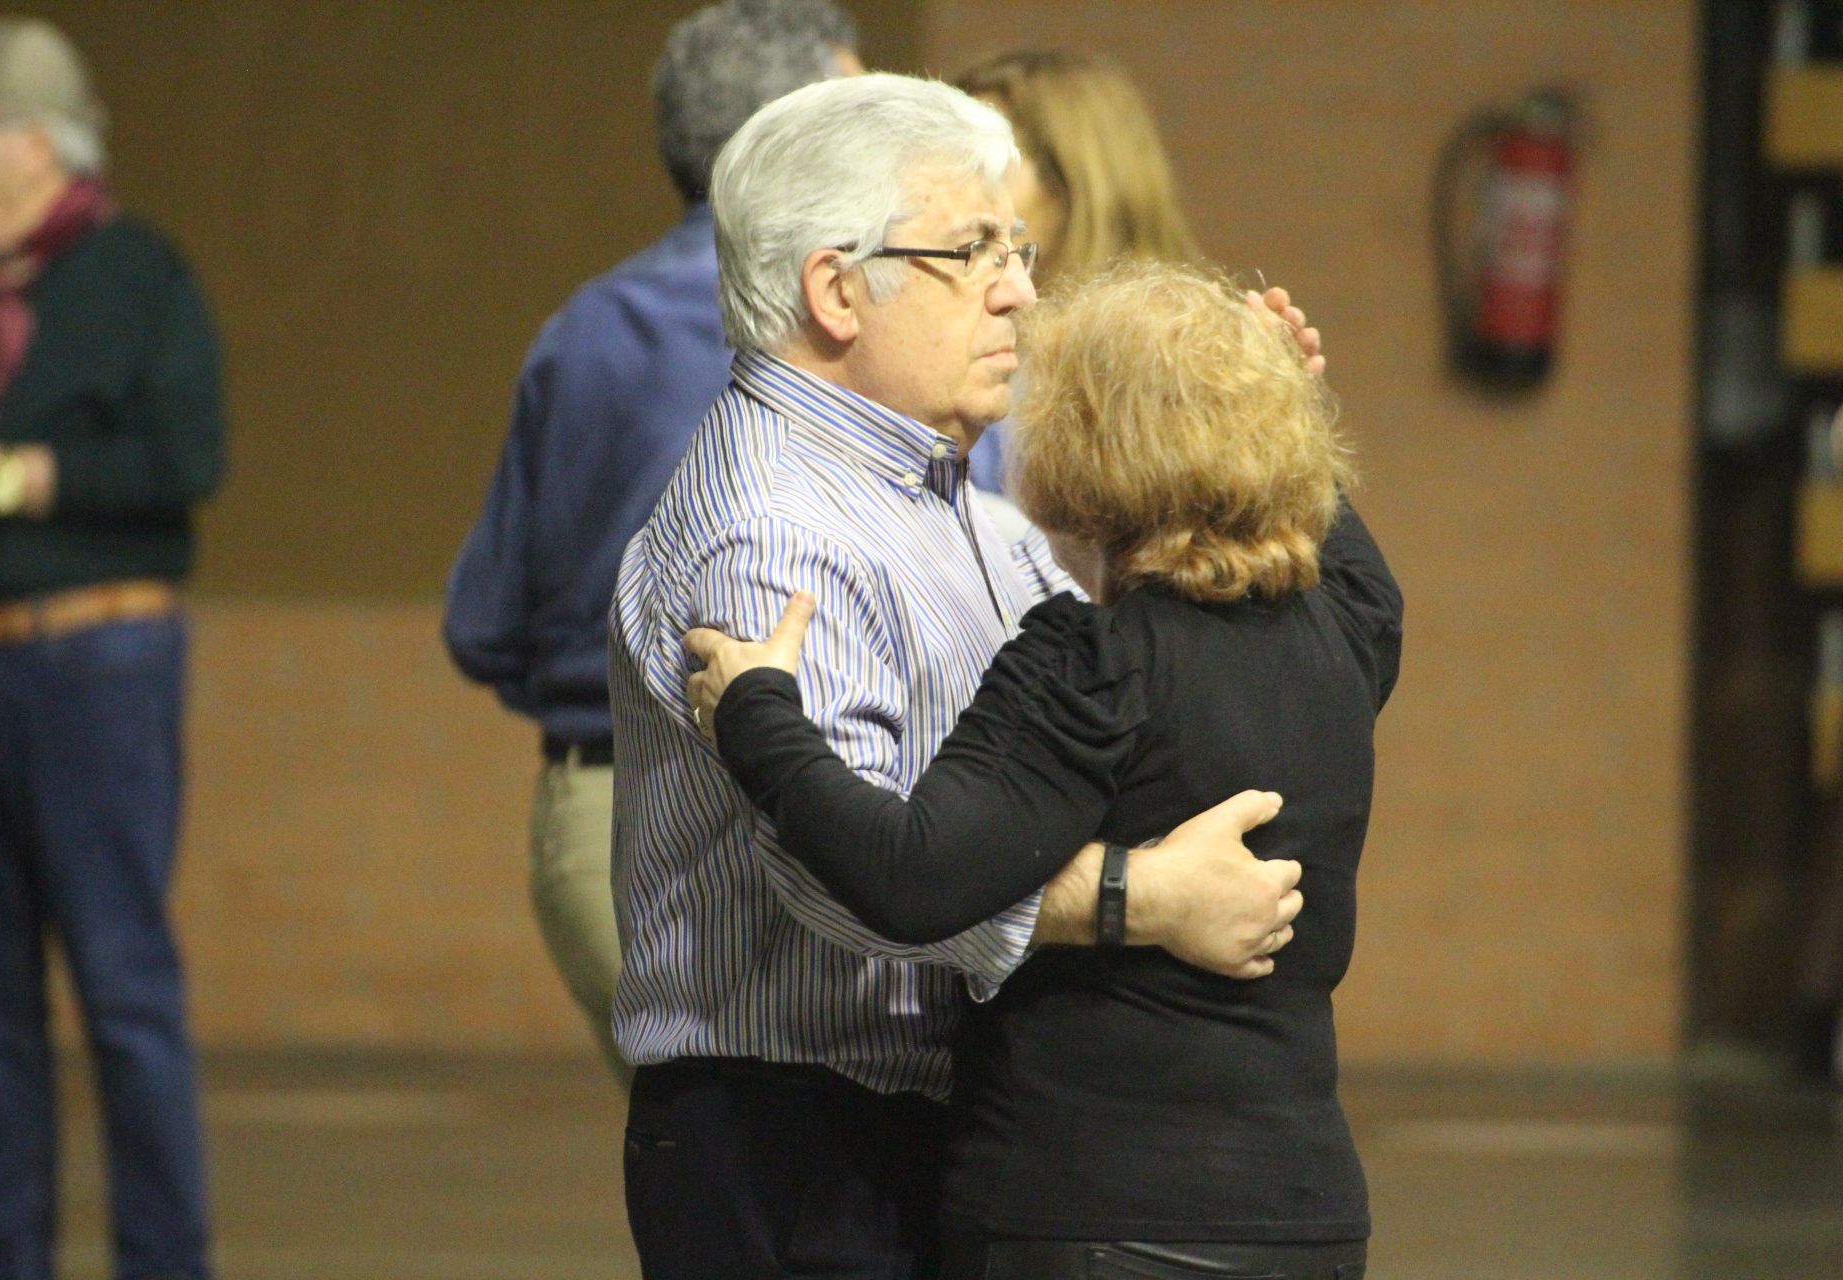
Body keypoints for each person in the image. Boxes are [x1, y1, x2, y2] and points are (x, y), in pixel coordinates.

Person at [609, 73, 1309, 1280]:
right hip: (796, 1141)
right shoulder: (778, 531)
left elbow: (1114, 716)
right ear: (836, 288)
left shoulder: (957, 504)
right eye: (972, 248)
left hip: (902, 1125)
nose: (1021, 290)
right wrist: (1143, 896)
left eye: (1018, 246)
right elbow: (847, 873)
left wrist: (1243, 442)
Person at [687, 259, 1401, 1279]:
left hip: (1099, 1214)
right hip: (1309, 1216)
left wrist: (758, 713)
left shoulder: (1093, 662)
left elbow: (907, 876)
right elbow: (1356, 565)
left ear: (1087, 451)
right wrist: (1265, 391)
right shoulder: (1344, 635)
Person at [442, 0, 862, 1082]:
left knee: (709, 1175)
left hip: (605, 805)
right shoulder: (868, 337)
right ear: (798, 138)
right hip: (827, 804)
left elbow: (481, 626)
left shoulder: (583, 332)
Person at [0, 17, 224, 1280]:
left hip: (93, 660)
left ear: (30, 143)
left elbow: (181, 465)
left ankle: (163, 1260)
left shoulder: (138, 277)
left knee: (120, 986)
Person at [952, 48, 1322, 502]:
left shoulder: (1182, 348)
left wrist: (1265, 418)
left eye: (987, 161)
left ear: (1074, 179)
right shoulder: (957, 344)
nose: (959, 185)